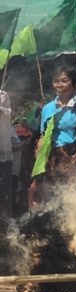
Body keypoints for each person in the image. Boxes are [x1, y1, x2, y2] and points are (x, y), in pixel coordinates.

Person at [32, 66, 76, 200]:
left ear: (73, 83)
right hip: (56, 160)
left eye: (64, 81)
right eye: (56, 81)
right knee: (56, 201)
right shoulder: (47, 109)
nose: (58, 85)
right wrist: (39, 151)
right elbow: (43, 136)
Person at [0, 90, 13, 218]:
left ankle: (10, 230)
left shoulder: (2, 95)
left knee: (4, 193)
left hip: (2, 158)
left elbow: (3, 111)